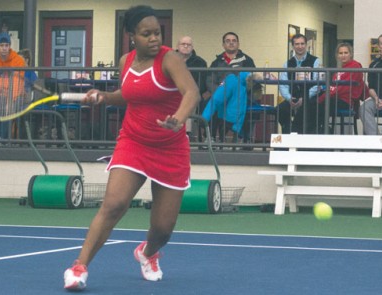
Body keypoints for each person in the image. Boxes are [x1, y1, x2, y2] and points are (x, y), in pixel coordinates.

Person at [63, 5, 200, 291]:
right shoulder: (126, 61)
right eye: (146, 34)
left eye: (157, 33)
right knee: (113, 205)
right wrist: (103, 96)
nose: (154, 39)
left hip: (170, 148)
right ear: (132, 36)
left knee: (163, 229)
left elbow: (192, 93)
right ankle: (79, 267)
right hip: (133, 142)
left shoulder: (170, 59)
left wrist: (179, 118)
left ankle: (148, 253)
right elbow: (127, 95)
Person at [206, 32, 256, 142]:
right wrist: (221, 93)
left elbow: (252, 79)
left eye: (234, 41)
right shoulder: (217, 62)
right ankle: (211, 138)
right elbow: (210, 80)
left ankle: (244, 139)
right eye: (228, 41)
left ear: (238, 44)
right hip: (221, 95)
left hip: (241, 96)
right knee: (212, 104)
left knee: (243, 106)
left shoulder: (247, 60)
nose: (231, 43)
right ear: (223, 45)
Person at [317, 43, 368, 133]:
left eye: (346, 53)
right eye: (341, 53)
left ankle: (322, 133)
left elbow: (342, 89)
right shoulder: (339, 70)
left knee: (319, 105)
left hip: (345, 101)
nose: (343, 55)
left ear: (351, 54)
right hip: (334, 98)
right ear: (337, 55)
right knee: (311, 104)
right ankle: (318, 132)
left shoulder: (355, 66)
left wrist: (321, 98)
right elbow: (333, 87)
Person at [277, 33, 322, 134]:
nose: (300, 46)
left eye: (302, 44)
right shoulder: (287, 63)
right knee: (279, 110)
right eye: (297, 44)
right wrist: (289, 98)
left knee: (306, 112)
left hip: (310, 99)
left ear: (306, 45)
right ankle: (287, 135)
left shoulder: (316, 61)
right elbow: (283, 84)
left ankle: (300, 138)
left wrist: (304, 98)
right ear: (293, 46)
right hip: (293, 98)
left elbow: (317, 83)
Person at [202, 72, 263, 142]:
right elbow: (217, 99)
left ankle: (218, 139)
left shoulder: (234, 81)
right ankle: (244, 139)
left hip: (228, 114)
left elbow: (216, 98)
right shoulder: (233, 81)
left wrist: (204, 118)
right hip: (230, 115)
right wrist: (204, 118)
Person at [176, 35, 208, 140]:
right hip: (172, 93)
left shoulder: (200, 62)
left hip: (191, 93)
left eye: (188, 44)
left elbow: (202, 83)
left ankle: (186, 134)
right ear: (177, 46)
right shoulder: (170, 59)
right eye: (183, 44)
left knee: (189, 99)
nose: (186, 46)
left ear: (192, 47)